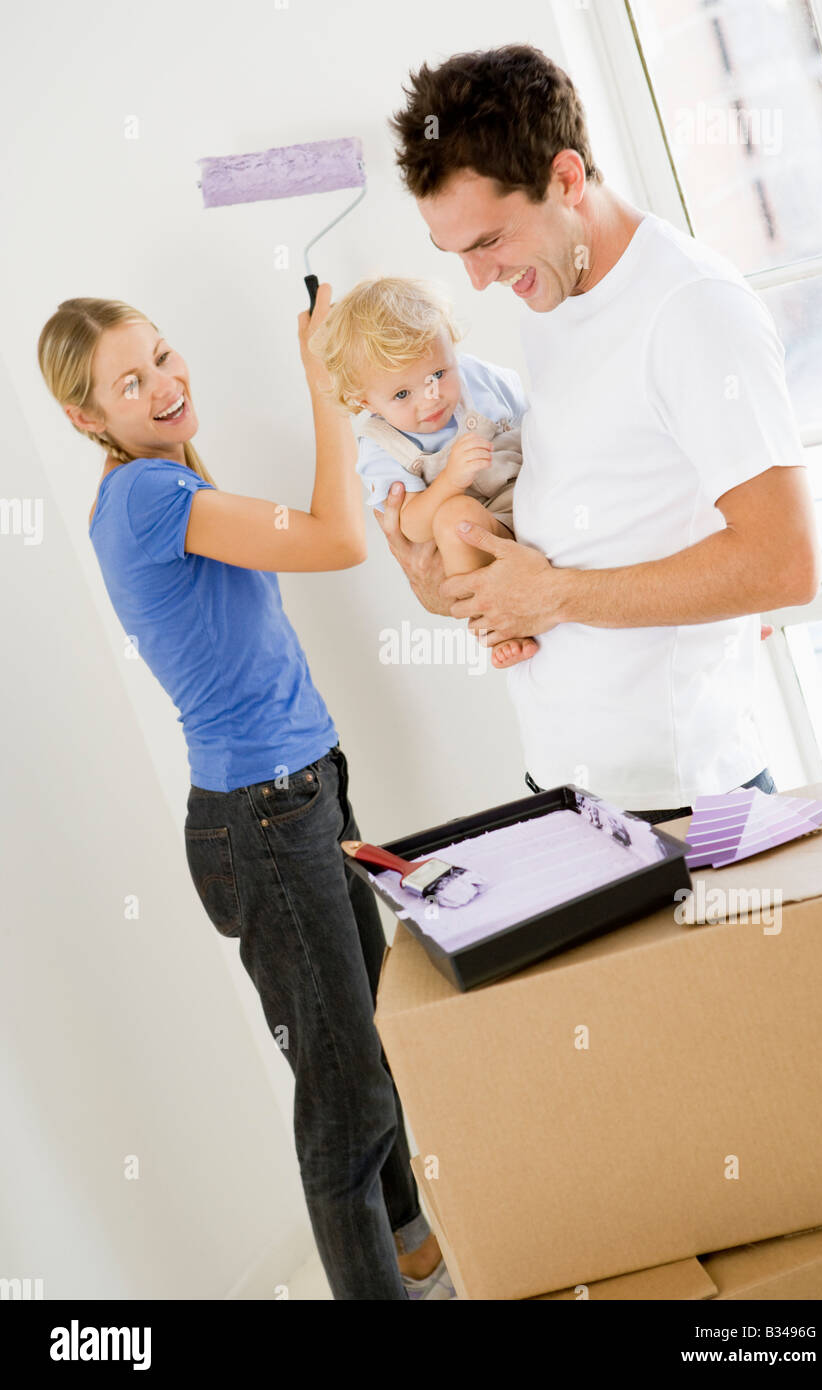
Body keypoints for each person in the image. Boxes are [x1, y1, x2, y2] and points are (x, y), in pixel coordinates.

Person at [37, 288, 452, 1300]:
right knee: (344, 1099)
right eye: (129, 383)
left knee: (370, 1048)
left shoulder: (170, 481)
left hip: (302, 792)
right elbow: (337, 539)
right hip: (266, 821)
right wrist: (323, 383)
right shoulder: (149, 497)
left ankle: (413, 1249)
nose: (164, 383)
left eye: (162, 355)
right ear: (86, 417)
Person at [375, 43, 821, 824]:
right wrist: (455, 580)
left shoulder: (692, 310)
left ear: (566, 178)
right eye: (457, 254)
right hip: (568, 782)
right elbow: (600, 508)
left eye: (490, 242)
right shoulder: (556, 295)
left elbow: (783, 563)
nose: (479, 279)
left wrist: (553, 596)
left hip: (683, 799)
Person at [307, 274, 538, 668]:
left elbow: (536, 424)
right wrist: (450, 480)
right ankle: (498, 626)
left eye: (438, 375)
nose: (429, 399)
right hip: (491, 532)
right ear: (365, 401)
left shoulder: (480, 378)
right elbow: (411, 527)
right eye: (402, 394)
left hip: (536, 493)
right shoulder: (381, 447)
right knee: (454, 519)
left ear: (451, 345)